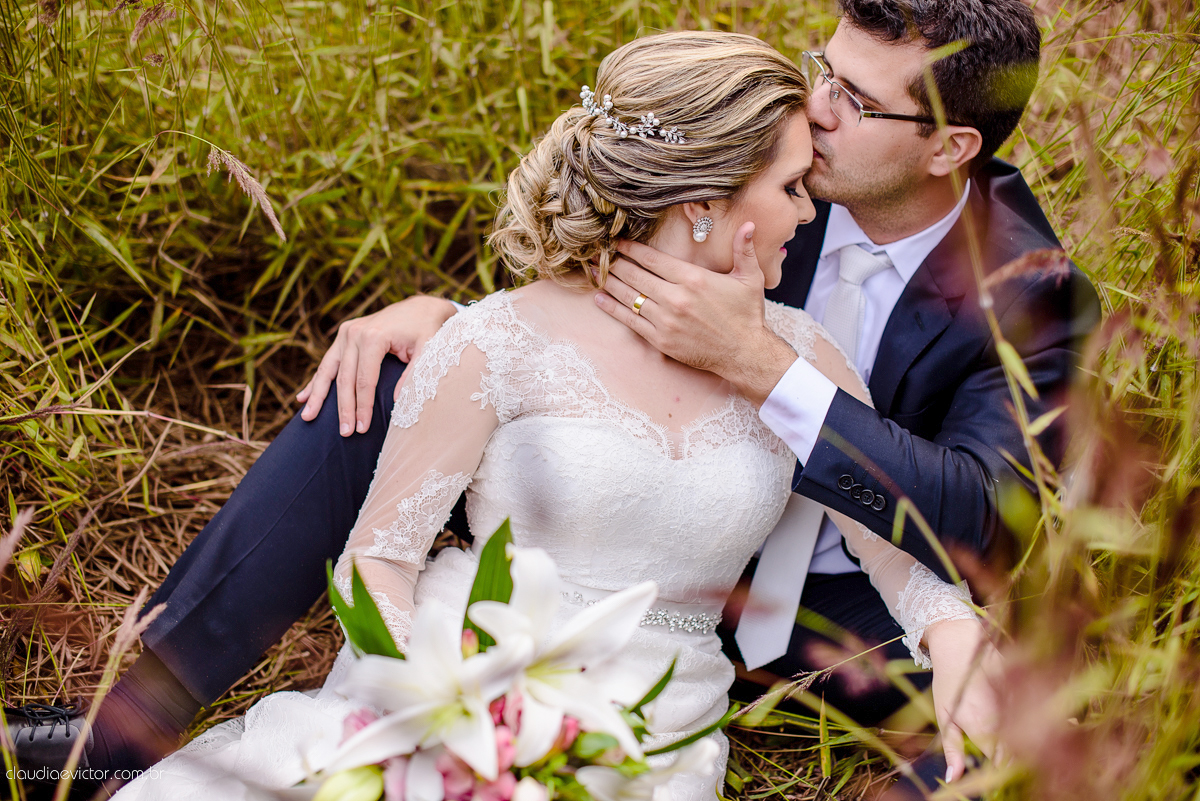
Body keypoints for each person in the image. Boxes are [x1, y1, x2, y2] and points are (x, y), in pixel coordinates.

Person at [8, 0, 1098, 793]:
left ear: (951, 146)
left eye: (855, 102)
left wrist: (770, 373)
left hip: (827, 610)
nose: (816, 114)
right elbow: (574, 328)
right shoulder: (760, 182)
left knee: (997, 752)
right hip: (529, 615)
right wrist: (448, 327)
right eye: (823, 71)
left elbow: (986, 524)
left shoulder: (1030, 293)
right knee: (389, 374)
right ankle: (128, 727)